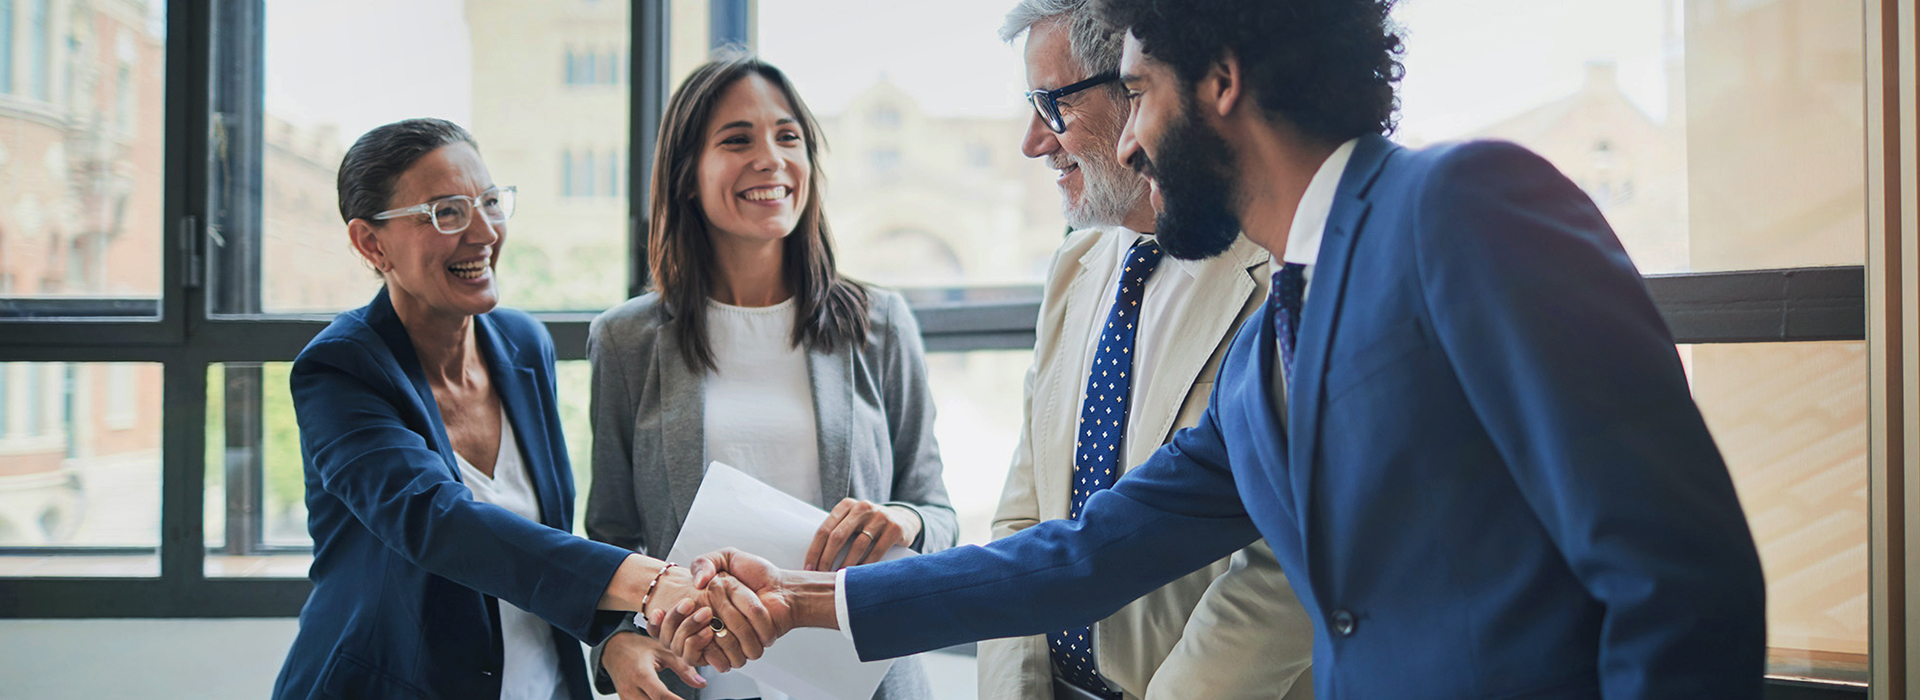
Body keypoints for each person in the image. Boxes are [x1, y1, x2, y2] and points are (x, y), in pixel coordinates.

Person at [675, 0, 1771, 698]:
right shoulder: (1271, 348)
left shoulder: (1464, 205)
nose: (1133, 138)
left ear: (1223, 82)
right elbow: (1089, 552)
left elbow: (1680, 576)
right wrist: (806, 600)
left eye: (1140, 93)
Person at [273, 118, 775, 700]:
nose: (484, 231)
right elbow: (439, 523)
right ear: (371, 243)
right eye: (446, 212)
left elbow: (541, 537)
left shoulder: (522, 344)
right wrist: (651, 581)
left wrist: (610, 634)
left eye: (489, 202)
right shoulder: (341, 369)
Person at [584, 55, 956, 700]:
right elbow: (611, 538)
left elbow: (938, 512)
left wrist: (902, 520)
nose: (771, 158)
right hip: (698, 684)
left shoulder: (881, 324)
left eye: (789, 137)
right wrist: (615, 640)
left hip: (867, 684)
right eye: (737, 140)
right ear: (686, 175)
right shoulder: (626, 340)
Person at [980, 2, 1310, 699]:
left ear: (1139, 85)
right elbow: (1024, 510)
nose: (1035, 143)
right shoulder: (1075, 268)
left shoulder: (1281, 276)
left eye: (1052, 104)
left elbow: (1282, 567)